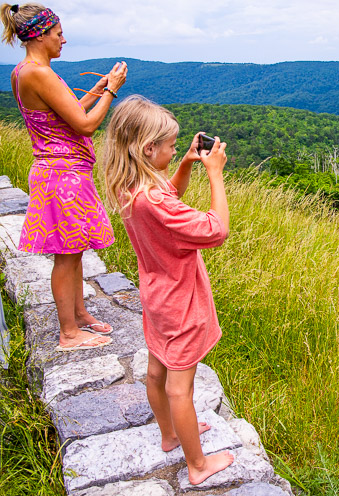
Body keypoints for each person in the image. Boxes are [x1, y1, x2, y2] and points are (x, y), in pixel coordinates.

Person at [103, 95, 234, 484]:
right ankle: (198, 465)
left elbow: (169, 199)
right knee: (181, 387)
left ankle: (170, 435)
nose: (177, 149)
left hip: (156, 297)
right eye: (172, 146)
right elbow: (217, 229)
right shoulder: (154, 201)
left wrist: (183, 165)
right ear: (148, 149)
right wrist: (215, 173)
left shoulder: (133, 187)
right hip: (181, 302)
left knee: (156, 371)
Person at [1, 3, 127, 351]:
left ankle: (80, 314)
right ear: (41, 35)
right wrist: (113, 90)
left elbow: (70, 112)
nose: (64, 40)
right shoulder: (37, 73)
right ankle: (69, 333)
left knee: (74, 251)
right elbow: (85, 124)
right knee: (66, 254)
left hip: (61, 172)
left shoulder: (25, 70)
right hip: (62, 175)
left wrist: (98, 91)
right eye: (58, 34)